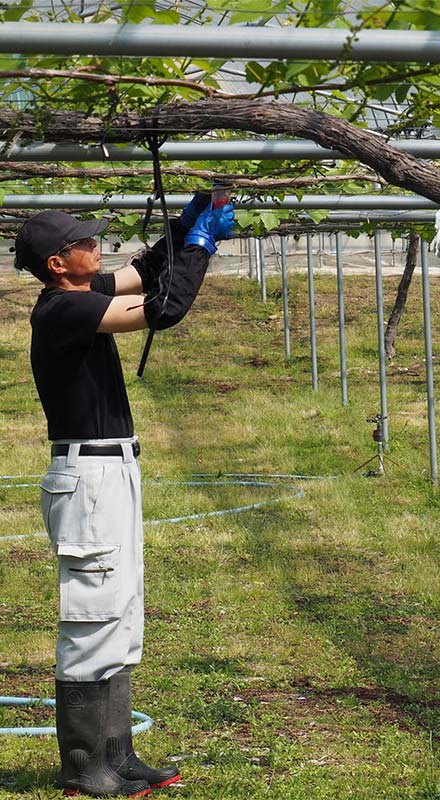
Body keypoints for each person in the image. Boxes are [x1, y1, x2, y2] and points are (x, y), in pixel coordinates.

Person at [14, 193, 235, 798]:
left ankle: (117, 753)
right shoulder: (61, 311)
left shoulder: (82, 294)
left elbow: (143, 271)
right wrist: (201, 247)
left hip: (112, 472)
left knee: (121, 611)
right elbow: (164, 305)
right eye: (84, 242)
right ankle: (84, 764)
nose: (96, 246)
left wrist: (182, 226)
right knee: (93, 615)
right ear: (59, 264)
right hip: (88, 480)